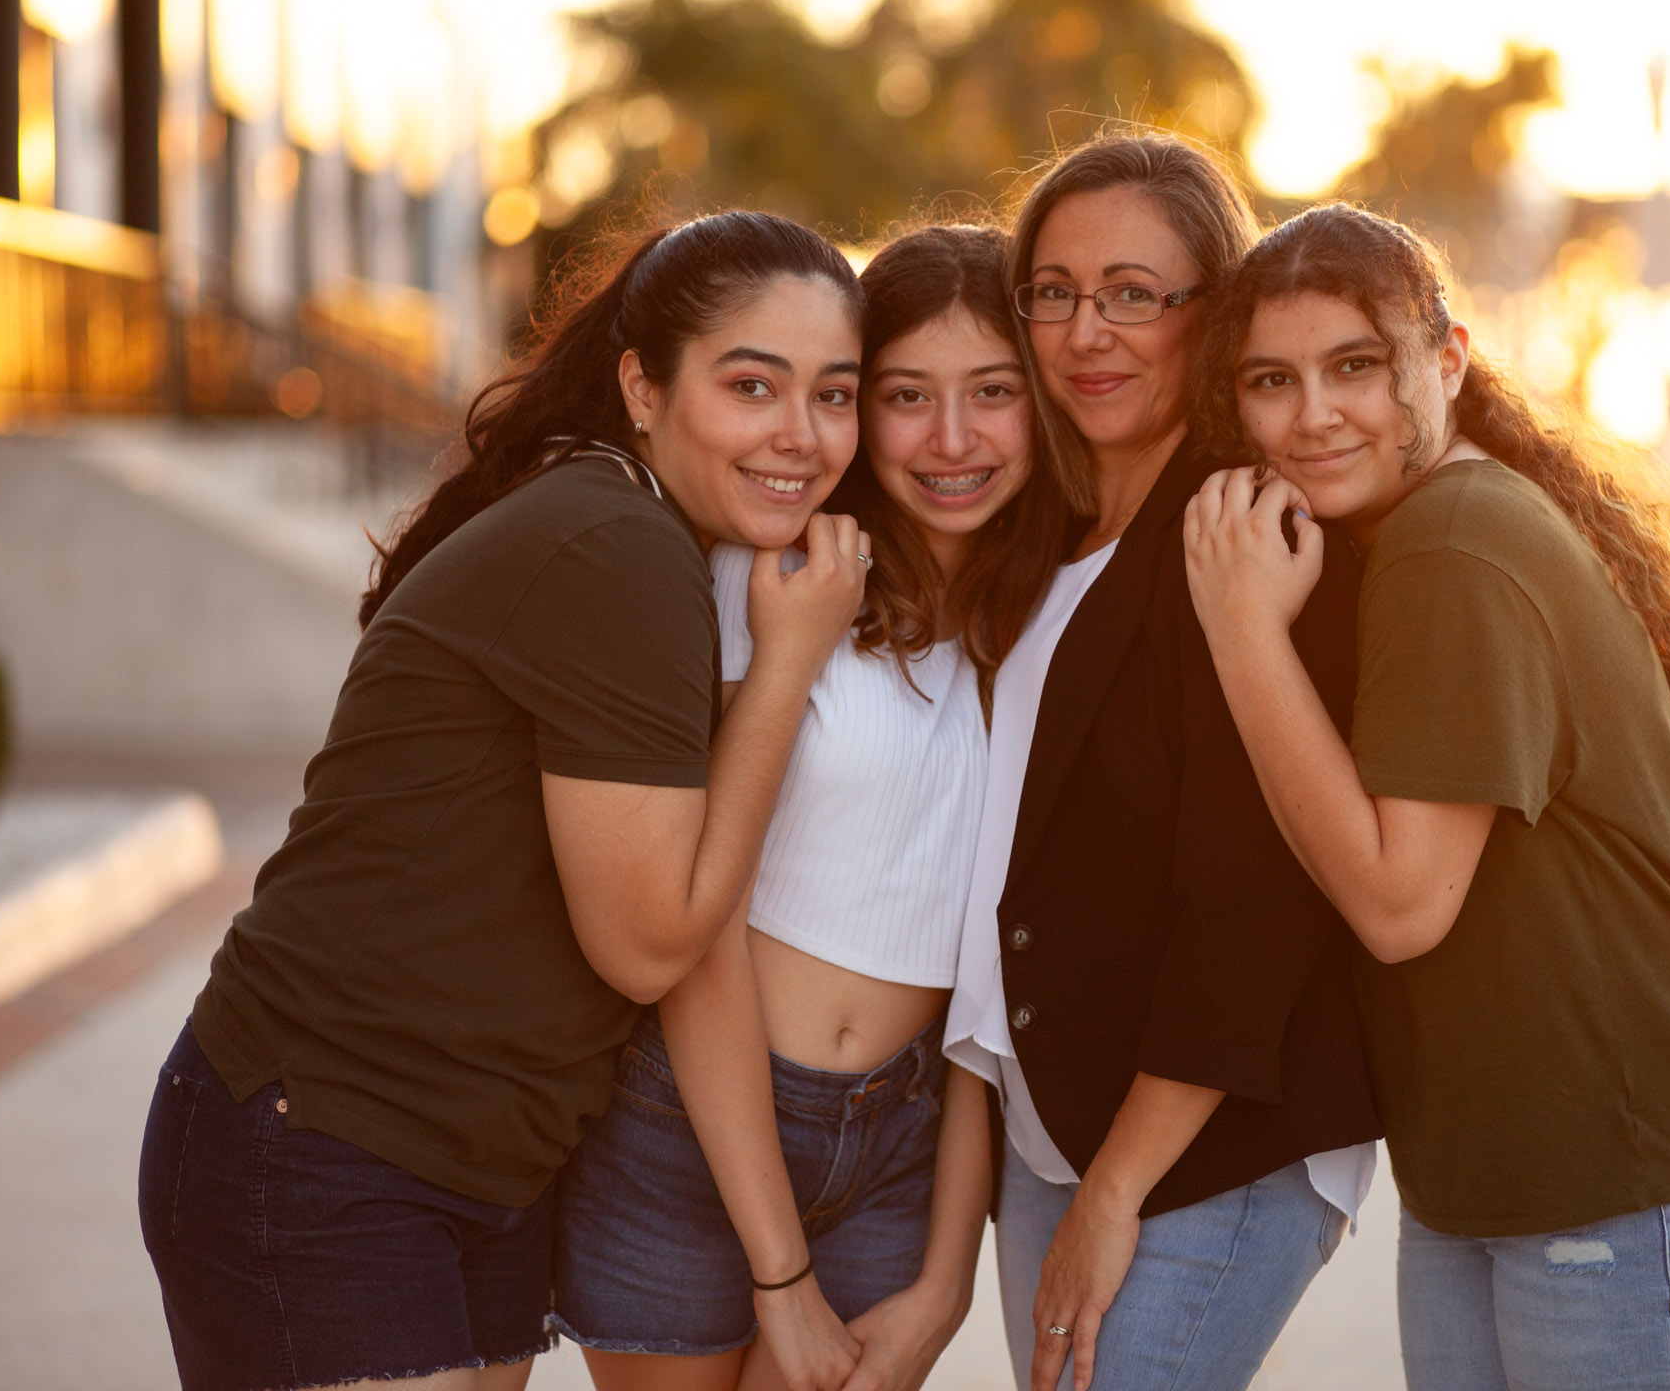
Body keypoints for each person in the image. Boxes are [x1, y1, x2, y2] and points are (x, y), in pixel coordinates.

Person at [138, 211, 873, 1391]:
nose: (802, 434)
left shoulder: (627, 522)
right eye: (753, 385)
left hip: (476, 1164)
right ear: (643, 385)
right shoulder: (613, 547)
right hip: (326, 1141)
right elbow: (650, 943)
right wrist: (789, 665)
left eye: (835, 395)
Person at [1180, 202, 1670, 1390]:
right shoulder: (1413, 531)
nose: (1314, 412)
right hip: (1511, 1177)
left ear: (1448, 360)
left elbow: (1397, 902)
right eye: (1272, 379)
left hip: (1634, 1182)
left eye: (1356, 366)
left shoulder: (1454, 540)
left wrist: (1239, 631)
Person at [554, 224, 1073, 1391]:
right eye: (904, 395)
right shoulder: (771, 578)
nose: (953, 439)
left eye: (993, 392)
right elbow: (697, 928)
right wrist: (779, 1272)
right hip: (696, 1125)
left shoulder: (1033, 626)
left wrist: (945, 1280)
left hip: (902, 1138)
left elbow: (984, 993)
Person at [944, 133, 1382, 1391]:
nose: (1089, 332)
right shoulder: (1052, 534)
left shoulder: (1247, 533)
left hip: (1203, 1148)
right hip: (1059, 1128)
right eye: (1057, 293)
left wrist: (1117, 1188)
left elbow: (1257, 900)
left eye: (1135, 294)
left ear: (1214, 310)